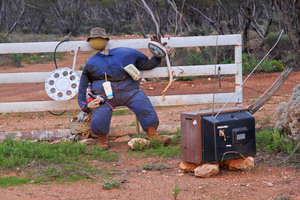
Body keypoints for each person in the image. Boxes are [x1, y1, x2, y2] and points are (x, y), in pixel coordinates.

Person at [78, 27, 171, 149]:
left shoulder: (126, 53)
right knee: (100, 114)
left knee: (144, 106)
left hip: (130, 92)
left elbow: (146, 64)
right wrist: (84, 105)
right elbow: (83, 85)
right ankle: (102, 140)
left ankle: (153, 136)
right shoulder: (91, 62)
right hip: (104, 97)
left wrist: (157, 55)